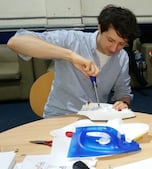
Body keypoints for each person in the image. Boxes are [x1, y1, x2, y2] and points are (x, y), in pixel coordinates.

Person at [7, 4, 139, 118]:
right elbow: (16, 42)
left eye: (121, 44)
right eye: (110, 40)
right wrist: (70, 55)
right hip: (60, 116)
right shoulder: (72, 40)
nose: (114, 48)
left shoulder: (122, 57)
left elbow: (123, 92)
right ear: (99, 28)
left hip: (95, 118)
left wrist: (124, 103)